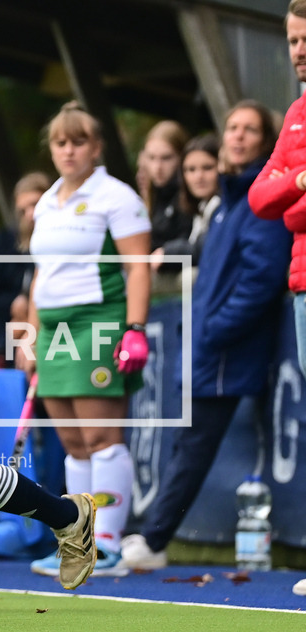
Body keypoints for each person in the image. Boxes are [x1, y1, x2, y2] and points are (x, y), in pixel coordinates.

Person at [122, 101, 287, 570]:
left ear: (265, 139)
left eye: (249, 129)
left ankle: (154, 542)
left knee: (193, 445)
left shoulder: (259, 198)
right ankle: (153, 538)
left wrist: (213, 331)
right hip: (211, 349)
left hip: (228, 351)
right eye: (231, 127)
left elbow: (261, 278)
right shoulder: (228, 202)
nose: (236, 136)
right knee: (188, 443)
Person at [18, 101, 151, 578]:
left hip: (99, 321)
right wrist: (29, 335)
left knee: (100, 437)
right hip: (53, 327)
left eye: (78, 142)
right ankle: (79, 543)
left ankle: (109, 545)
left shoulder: (117, 196)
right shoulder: (49, 199)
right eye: (60, 142)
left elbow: (138, 267)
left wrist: (134, 329)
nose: (69, 150)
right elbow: (41, 274)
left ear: (96, 147)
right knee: (74, 442)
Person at [248, 2, 306, 386]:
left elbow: (291, 214)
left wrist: (293, 207)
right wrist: (299, 183)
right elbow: (260, 200)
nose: (299, 51)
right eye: (293, 40)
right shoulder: (296, 113)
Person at [0, 172, 52, 367]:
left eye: (35, 204)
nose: (30, 214)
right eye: (23, 210)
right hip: (12, 337)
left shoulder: (61, 239)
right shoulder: (4, 242)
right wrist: (16, 302)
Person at [152, 134, 221, 271]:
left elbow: (211, 246)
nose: (198, 176)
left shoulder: (226, 206)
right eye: (191, 170)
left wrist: (168, 253)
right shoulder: (199, 207)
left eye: (207, 167)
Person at [140, 120, 194, 254]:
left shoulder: (190, 195)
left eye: (166, 158)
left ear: (183, 157)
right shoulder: (153, 194)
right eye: (151, 158)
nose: (157, 167)